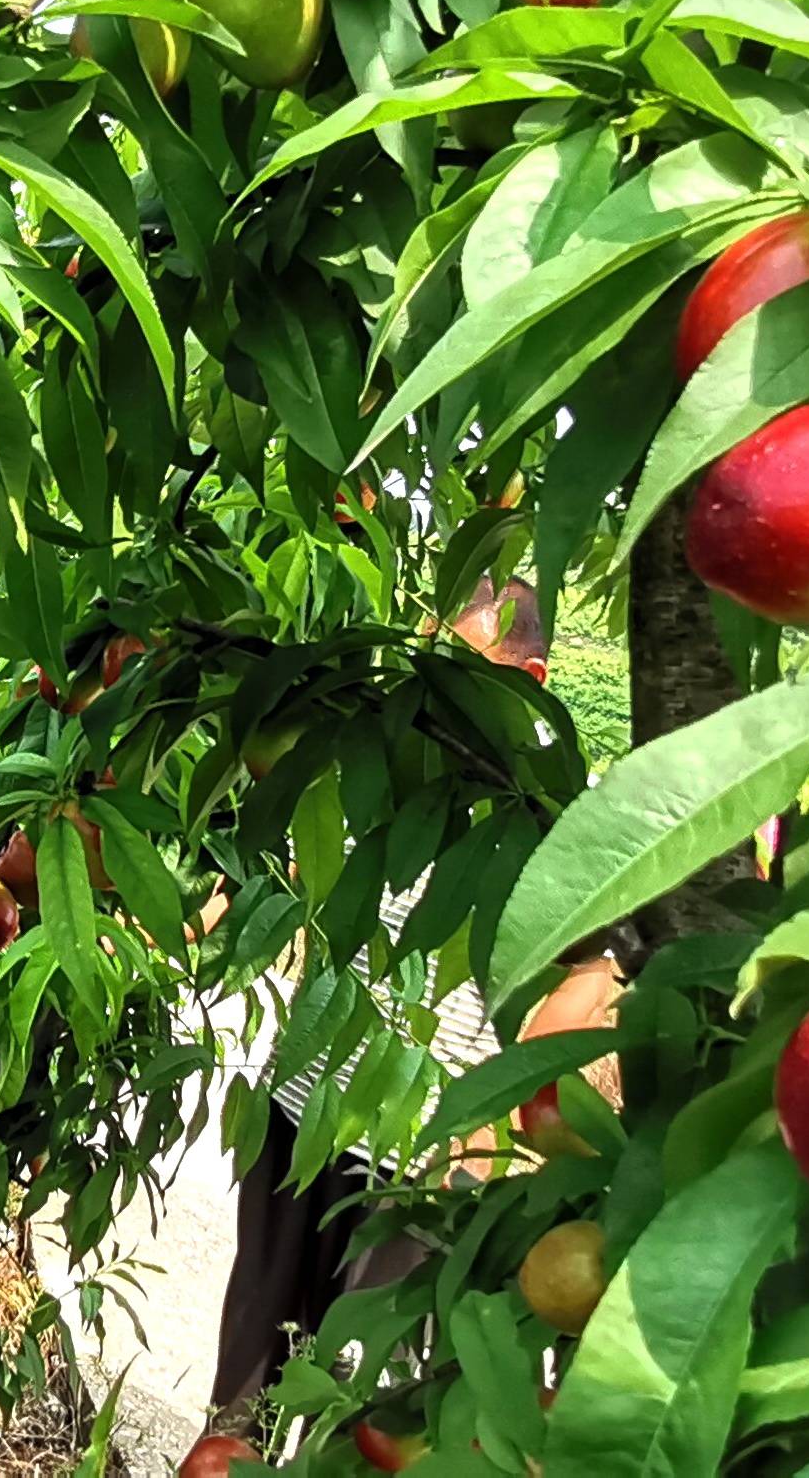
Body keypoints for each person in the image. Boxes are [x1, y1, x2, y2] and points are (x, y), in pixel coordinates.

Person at [199, 575, 623, 1433]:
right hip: (300, 1114)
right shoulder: (390, 762)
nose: (433, 692)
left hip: (419, 1158)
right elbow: (283, 876)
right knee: (247, 1375)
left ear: (529, 679)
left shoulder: (556, 820)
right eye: (427, 666)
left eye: (460, 670)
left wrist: (491, 1119)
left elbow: (599, 972)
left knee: (366, 1405)